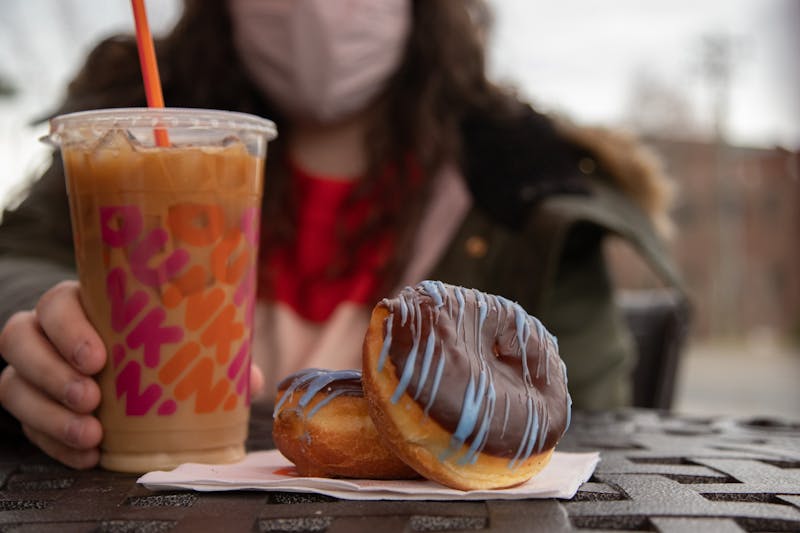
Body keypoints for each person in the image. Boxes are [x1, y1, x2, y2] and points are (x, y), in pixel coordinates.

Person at [0, 0, 682, 469]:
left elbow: (589, 441)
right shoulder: (125, 138)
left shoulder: (527, 191)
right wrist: (44, 324)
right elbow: (20, 256)